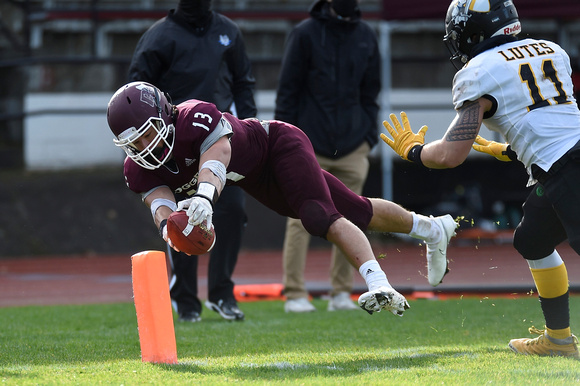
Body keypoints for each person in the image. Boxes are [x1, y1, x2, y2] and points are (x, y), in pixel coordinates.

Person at [105, 81, 459, 318]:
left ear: (165, 115)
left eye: (147, 133)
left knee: (318, 216)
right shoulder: (138, 169)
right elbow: (161, 207)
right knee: (356, 209)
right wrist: (172, 228)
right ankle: (432, 230)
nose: (143, 147)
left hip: (279, 145)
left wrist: (204, 197)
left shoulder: (193, 117)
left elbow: (219, 153)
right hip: (256, 179)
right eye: (132, 143)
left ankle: (379, 283)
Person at [381, 0, 580, 357]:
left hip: (567, 171)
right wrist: (509, 149)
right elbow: (551, 118)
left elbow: (449, 155)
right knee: (533, 240)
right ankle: (559, 340)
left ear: (473, 33)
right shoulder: (552, 50)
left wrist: (414, 150)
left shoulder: (480, 71)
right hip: (559, 166)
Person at [126, 0, 257, 322]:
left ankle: (222, 294)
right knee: (180, 221)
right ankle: (185, 300)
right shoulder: (158, 37)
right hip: (174, 146)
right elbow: (134, 92)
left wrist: (250, 130)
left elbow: (243, 82)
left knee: (232, 212)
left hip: (220, 140)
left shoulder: (228, 30)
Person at [274, 0, 380, 313]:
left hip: (353, 146)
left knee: (352, 216)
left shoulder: (366, 35)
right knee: (299, 217)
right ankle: (294, 293)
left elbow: (370, 92)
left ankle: (341, 293)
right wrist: (284, 144)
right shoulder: (304, 34)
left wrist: (367, 137)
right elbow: (287, 91)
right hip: (307, 146)